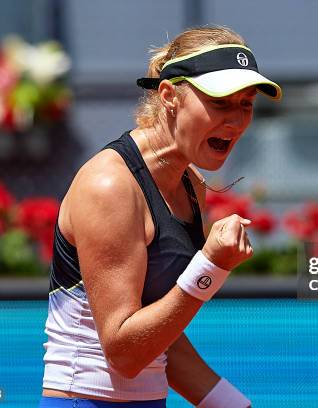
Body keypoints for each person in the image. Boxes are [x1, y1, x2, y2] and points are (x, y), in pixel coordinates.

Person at [39, 25, 282, 408]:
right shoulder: (110, 185)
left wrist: (235, 405)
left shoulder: (191, 184)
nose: (236, 121)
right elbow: (125, 354)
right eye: (220, 102)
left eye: (246, 103)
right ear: (169, 95)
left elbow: (160, 342)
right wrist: (211, 266)